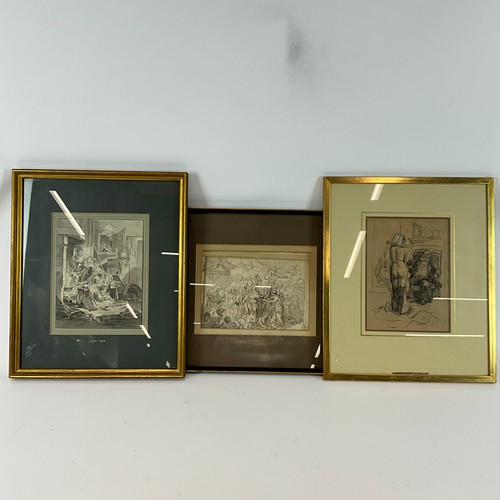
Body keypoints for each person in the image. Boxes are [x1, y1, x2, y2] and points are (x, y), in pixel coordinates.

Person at [387, 234, 413, 314]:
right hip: (401, 267)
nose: (403, 242)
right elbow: (410, 248)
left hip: (394, 268)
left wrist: (392, 243)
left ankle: (394, 308)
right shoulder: (401, 250)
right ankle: (400, 310)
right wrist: (406, 243)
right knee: (401, 290)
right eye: (402, 241)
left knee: (395, 290)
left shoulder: (392, 249)